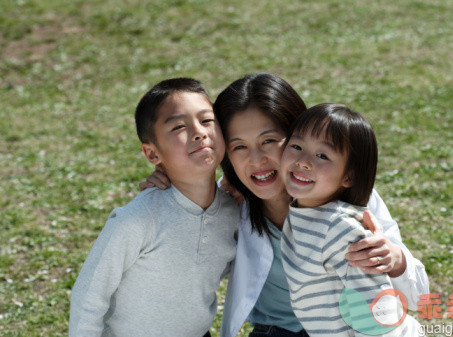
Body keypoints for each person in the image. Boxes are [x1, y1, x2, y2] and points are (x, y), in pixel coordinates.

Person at [141, 73, 429, 337]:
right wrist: (172, 189)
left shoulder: (347, 202)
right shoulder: (227, 203)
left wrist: (395, 260)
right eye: (239, 146)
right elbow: (179, 270)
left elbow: (418, 296)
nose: (256, 160)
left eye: (269, 141)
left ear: (297, 137)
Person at [69, 78, 239, 337]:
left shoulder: (233, 212)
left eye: (207, 121)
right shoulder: (137, 219)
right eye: (179, 126)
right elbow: (89, 296)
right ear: (152, 154)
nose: (199, 132)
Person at [279, 103, 421, 336]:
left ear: (348, 176)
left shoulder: (340, 229)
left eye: (322, 155)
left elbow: (376, 311)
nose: (303, 161)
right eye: (296, 146)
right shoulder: (300, 213)